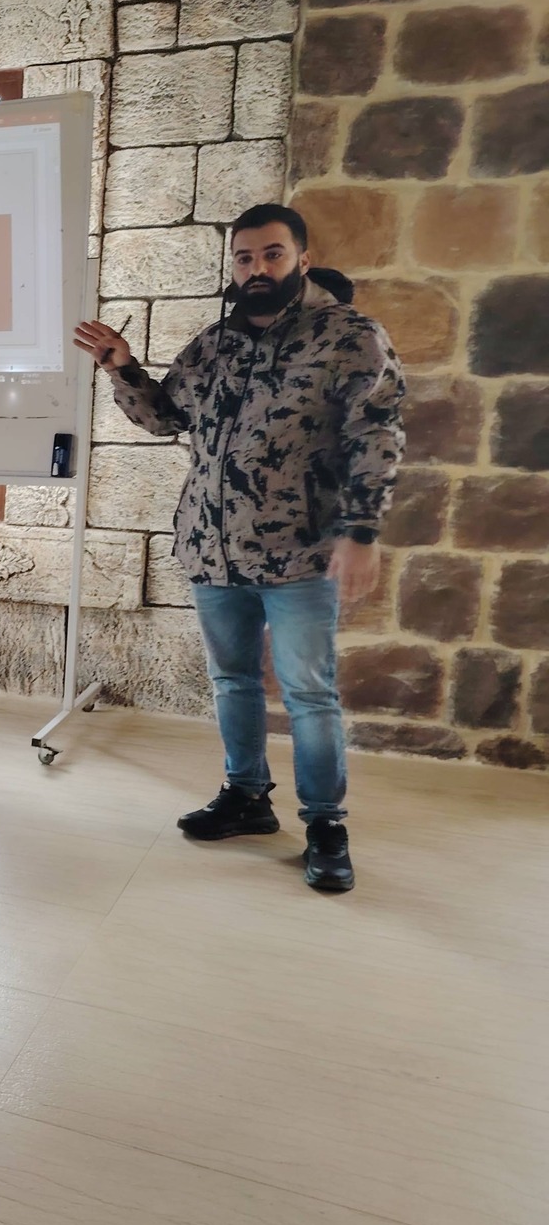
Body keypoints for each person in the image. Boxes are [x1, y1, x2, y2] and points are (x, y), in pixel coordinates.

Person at [73, 202, 405, 894]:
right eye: (245, 257)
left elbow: (375, 436)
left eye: (272, 254)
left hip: (300, 554)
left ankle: (325, 825)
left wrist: (361, 532)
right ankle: (247, 795)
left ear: (302, 259)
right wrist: (123, 368)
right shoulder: (215, 343)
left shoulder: (350, 337)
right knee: (232, 681)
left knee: (309, 693)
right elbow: (167, 417)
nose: (257, 268)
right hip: (213, 548)